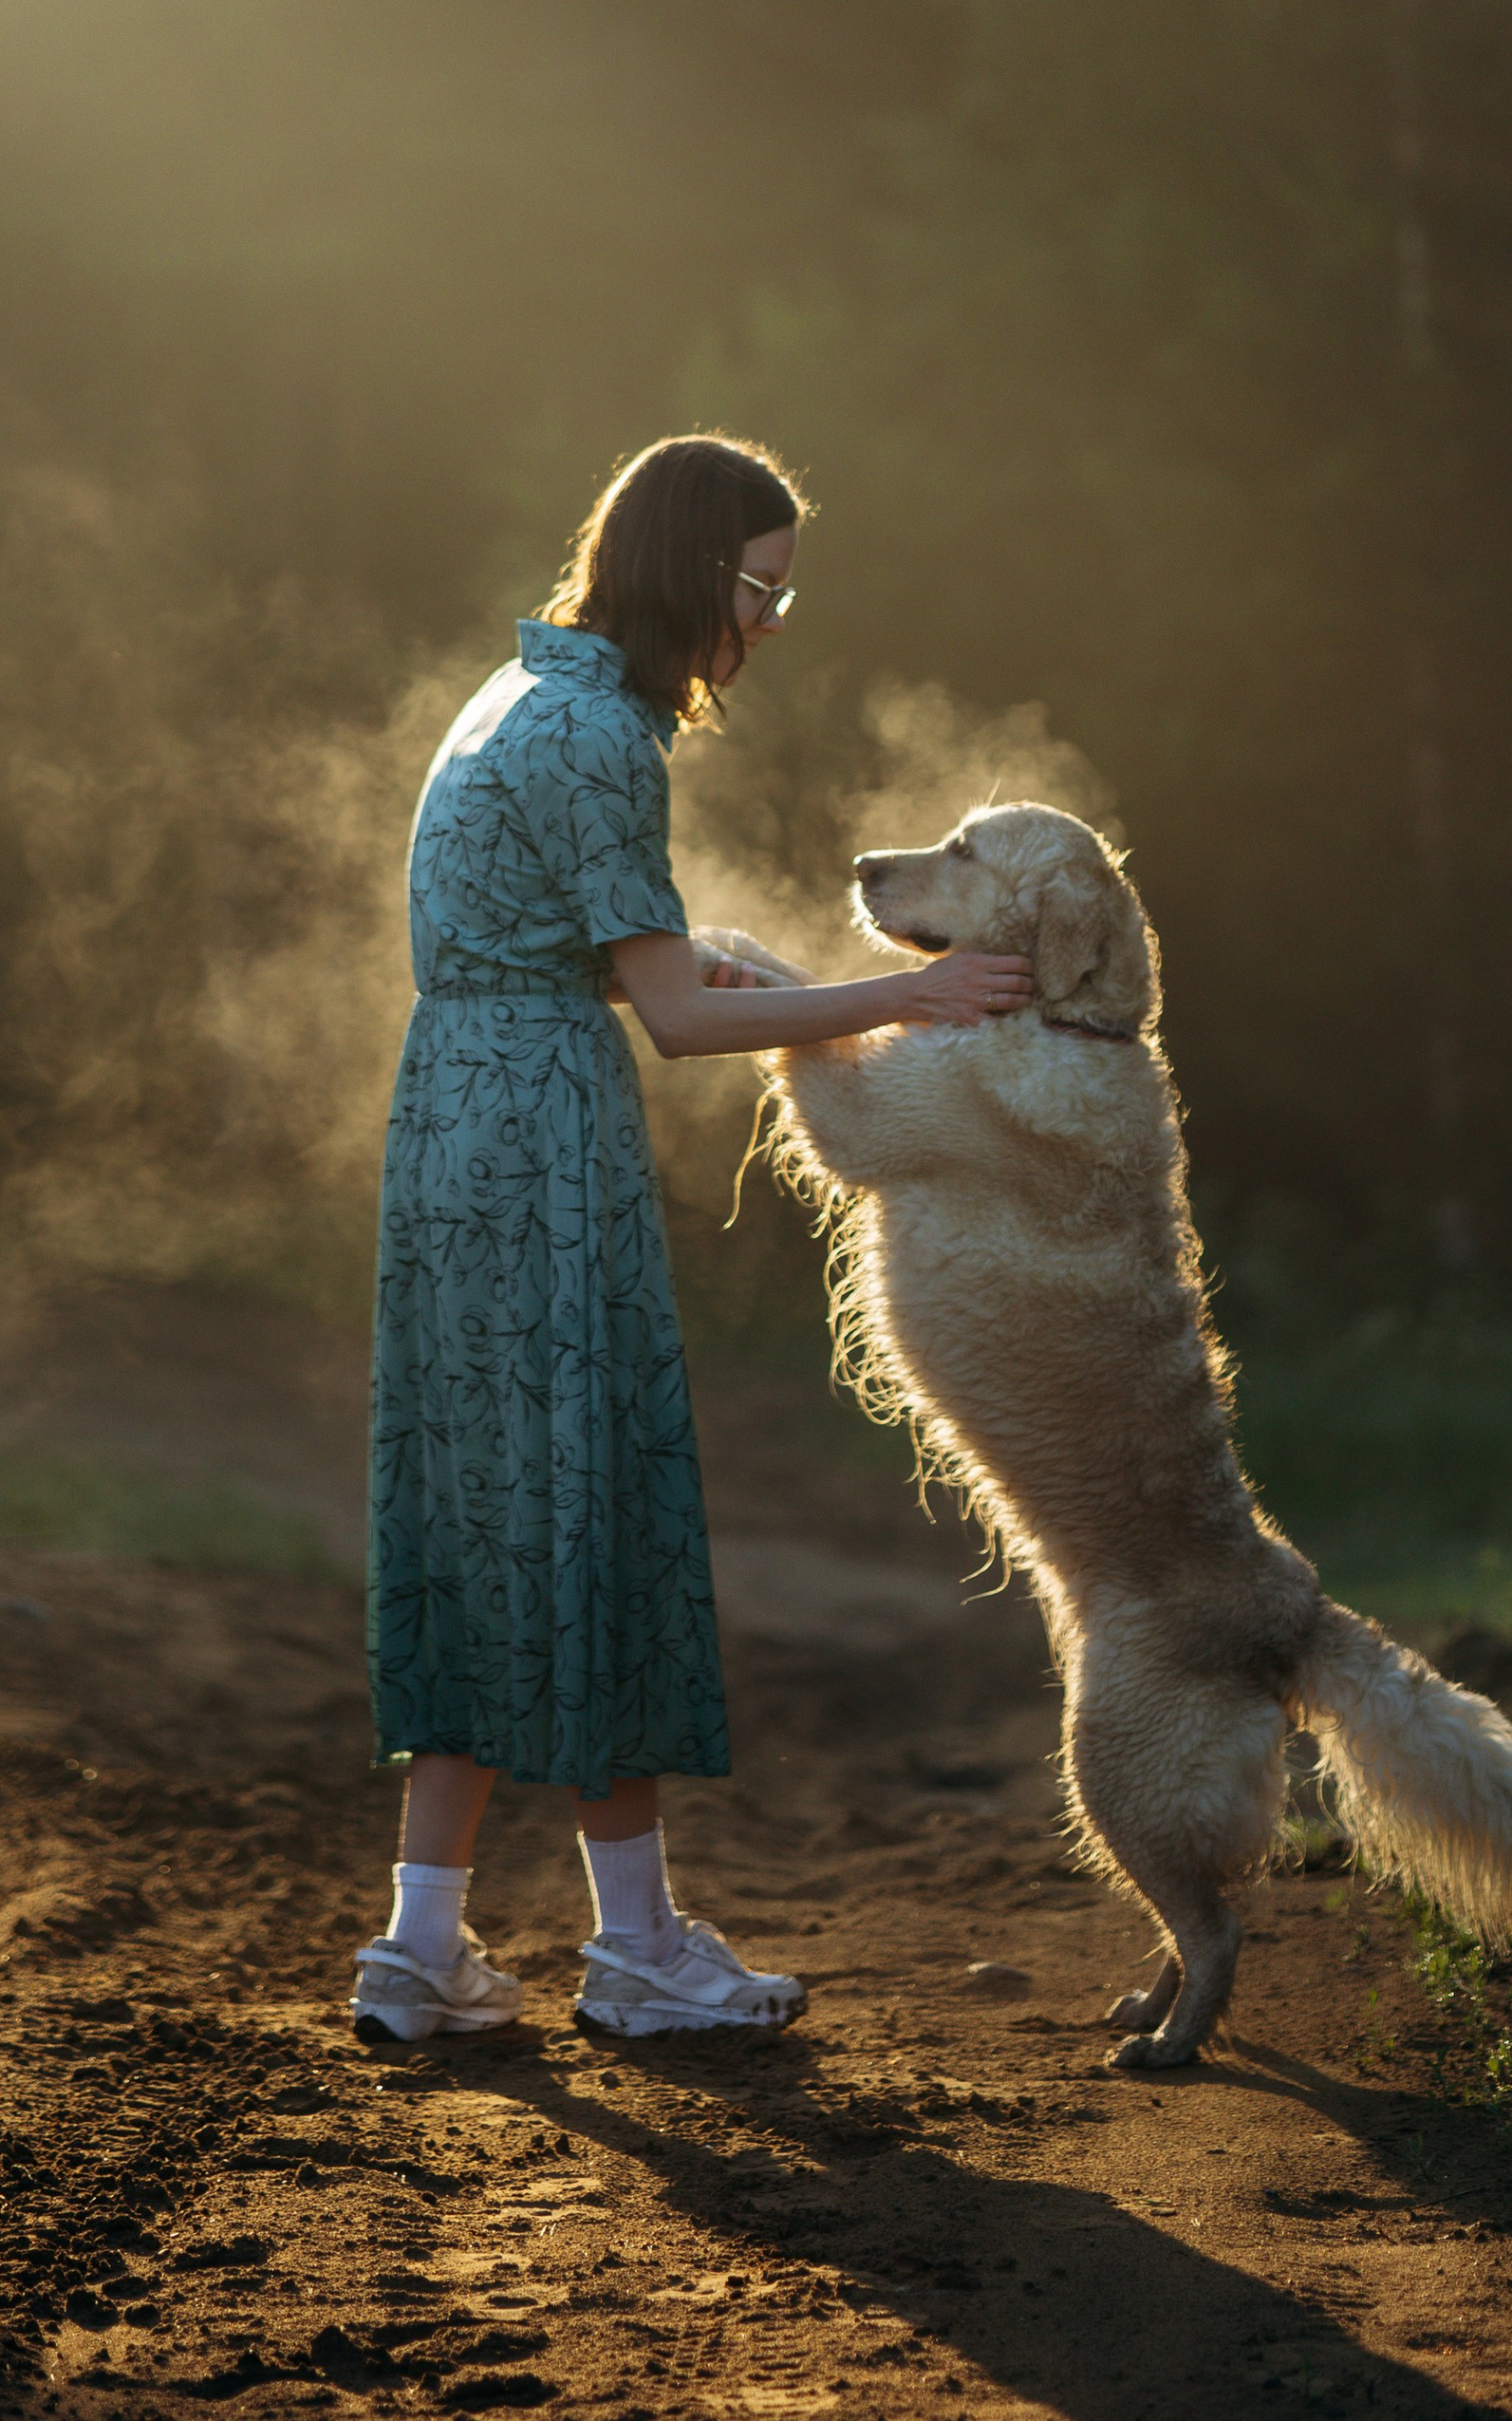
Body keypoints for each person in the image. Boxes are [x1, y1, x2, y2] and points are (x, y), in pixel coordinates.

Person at [351, 432, 1035, 2042]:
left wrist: (666, 965)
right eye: (758, 587)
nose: (770, 622)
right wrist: (916, 992)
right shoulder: (603, 733)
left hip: (451, 1123)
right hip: (540, 1146)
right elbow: (672, 1020)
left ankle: (419, 1946)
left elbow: (543, 945)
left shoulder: (516, 693)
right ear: (688, 571)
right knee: (599, 1510)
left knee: (481, 1514)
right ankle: (641, 1950)